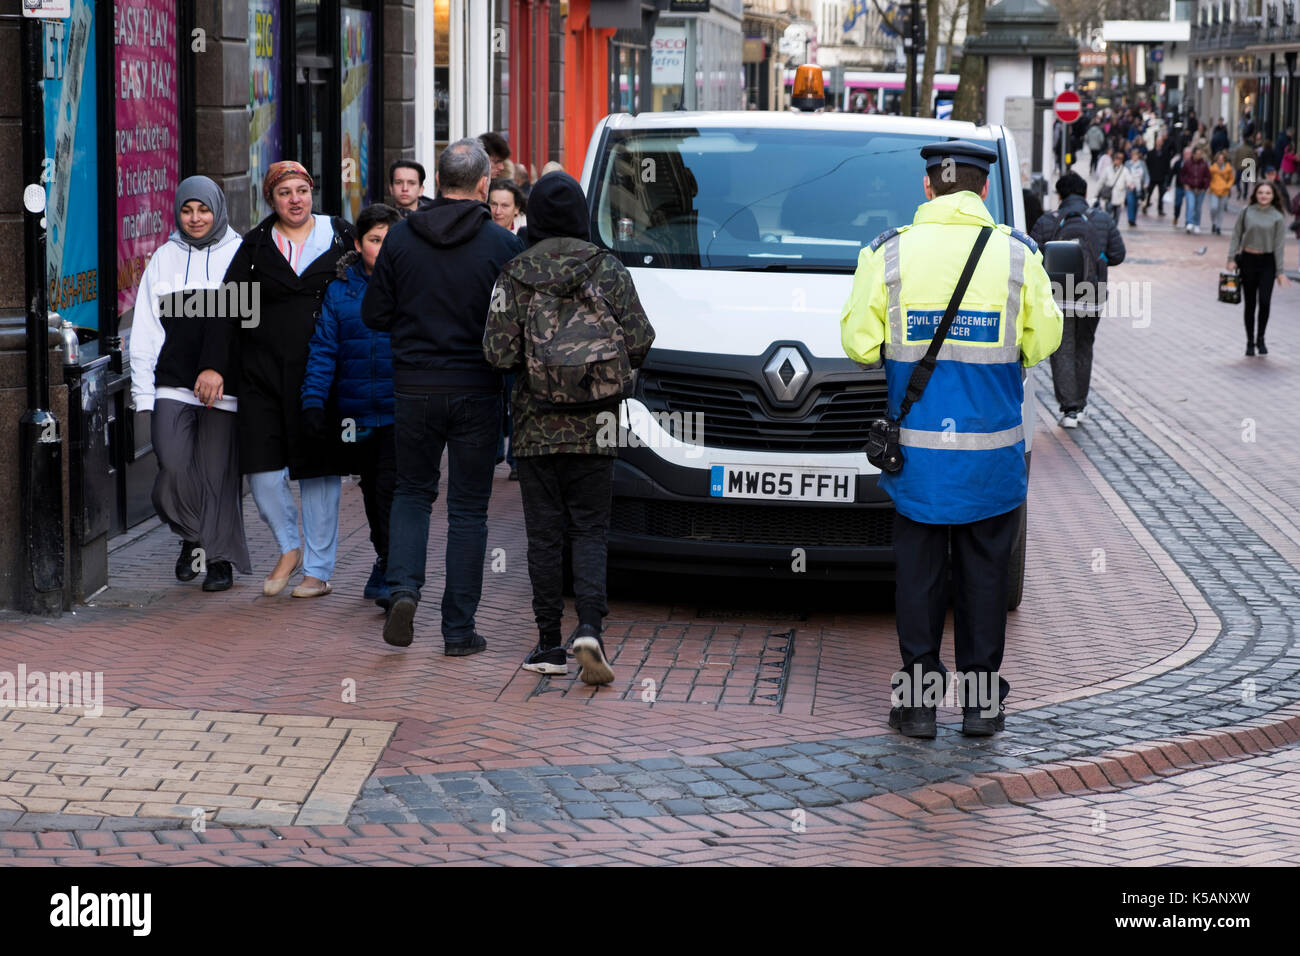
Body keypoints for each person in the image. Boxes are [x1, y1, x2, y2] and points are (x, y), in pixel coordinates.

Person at [839, 140, 1063, 738]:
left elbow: (859, 345)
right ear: (984, 190)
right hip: (991, 465)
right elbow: (1043, 343)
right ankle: (982, 706)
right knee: (985, 579)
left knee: (919, 580)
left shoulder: (887, 255)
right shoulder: (1019, 257)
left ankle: (917, 707)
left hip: (915, 464)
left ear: (927, 188)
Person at [483, 172, 656, 683]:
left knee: (544, 535)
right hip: (598, 426)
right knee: (590, 531)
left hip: (536, 430)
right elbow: (641, 339)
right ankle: (591, 630)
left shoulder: (514, 272)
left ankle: (546, 644)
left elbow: (495, 353)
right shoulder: (608, 269)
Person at [363, 138, 525, 654]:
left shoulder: (402, 240)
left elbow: (373, 315)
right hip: (478, 389)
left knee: (412, 493)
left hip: (414, 387)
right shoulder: (503, 246)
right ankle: (457, 631)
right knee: (469, 510)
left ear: (433, 182)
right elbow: (519, 324)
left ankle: (404, 589)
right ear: (483, 185)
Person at [223, 161, 354, 599]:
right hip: (261, 373)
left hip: (321, 373)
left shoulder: (340, 236)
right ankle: (288, 546)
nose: (295, 199)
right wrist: (213, 365)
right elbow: (230, 310)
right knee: (261, 469)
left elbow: (368, 289)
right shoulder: (255, 246)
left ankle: (318, 568)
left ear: (312, 193)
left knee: (318, 471)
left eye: (302, 190)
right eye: (284, 193)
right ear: (271, 199)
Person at [130, 175, 252, 592]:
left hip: (225, 387)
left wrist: (221, 369)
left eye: (203, 209)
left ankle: (219, 561)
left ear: (217, 209)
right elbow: (145, 332)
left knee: (218, 476)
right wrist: (143, 395)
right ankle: (195, 535)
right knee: (173, 469)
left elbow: (246, 328)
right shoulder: (163, 258)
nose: (196, 218)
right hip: (173, 384)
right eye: (187, 209)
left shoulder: (241, 254)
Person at [301, 203, 402, 610]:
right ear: (358, 244)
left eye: (390, 240)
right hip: (356, 412)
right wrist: (312, 400)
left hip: (401, 410)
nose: (383, 247)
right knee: (372, 490)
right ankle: (385, 556)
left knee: (393, 489)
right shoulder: (340, 290)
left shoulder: (412, 286)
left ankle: (396, 573)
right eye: (375, 240)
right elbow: (324, 348)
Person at [1030, 172, 1125, 429]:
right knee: (1084, 346)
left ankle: (1069, 409)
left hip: (1058, 296)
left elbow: (1032, 257)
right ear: (1084, 194)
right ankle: (1080, 405)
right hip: (1092, 295)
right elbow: (1118, 254)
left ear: (1060, 195)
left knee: (1062, 349)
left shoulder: (1048, 221)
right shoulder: (1102, 219)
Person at [1227, 181, 1290, 356]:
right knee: (1250, 304)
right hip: (1247, 260)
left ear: (1273, 196)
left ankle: (1260, 339)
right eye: (1261, 192)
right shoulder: (1246, 212)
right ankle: (1249, 342)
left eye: (1268, 193)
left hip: (1267, 262)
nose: (1264, 196)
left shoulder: (1277, 217)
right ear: (1255, 194)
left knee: (1264, 301)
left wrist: (1280, 272)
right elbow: (1236, 235)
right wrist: (1231, 258)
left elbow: (1279, 246)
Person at [1180, 146, 1211, 234]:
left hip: (1201, 190)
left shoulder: (1204, 164)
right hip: (1190, 188)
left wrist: (1205, 187)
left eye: (1200, 154)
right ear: (1193, 154)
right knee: (1191, 205)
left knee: (1198, 208)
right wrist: (1185, 184)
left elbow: (1208, 177)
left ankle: (1197, 224)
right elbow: (1182, 175)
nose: (1199, 156)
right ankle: (1190, 223)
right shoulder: (1187, 163)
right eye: (1197, 154)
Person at [1095, 151, 1133, 221]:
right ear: (1114, 159)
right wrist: (1096, 193)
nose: (1118, 160)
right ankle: (1109, 230)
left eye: (1121, 159)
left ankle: (1113, 230)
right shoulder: (1107, 169)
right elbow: (1101, 181)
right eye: (1117, 158)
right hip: (1109, 196)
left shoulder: (1124, 170)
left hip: (1119, 197)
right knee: (1108, 216)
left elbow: (1129, 180)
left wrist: (1130, 185)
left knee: (1116, 218)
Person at [1207, 150, 1235, 235]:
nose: (1220, 160)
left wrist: (1228, 186)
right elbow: (1209, 179)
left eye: (1222, 159)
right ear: (1216, 159)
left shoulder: (1228, 168)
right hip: (1214, 190)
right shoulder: (1212, 168)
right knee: (1214, 208)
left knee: (1221, 209)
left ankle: (1218, 226)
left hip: (1224, 191)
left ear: (1224, 160)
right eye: (1219, 159)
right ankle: (1214, 223)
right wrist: (1211, 186)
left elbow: (1231, 178)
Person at [1144, 133, 1172, 216]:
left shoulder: (1165, 153)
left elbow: (1167, 166)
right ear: (1155, 142)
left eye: (1160, 141)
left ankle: (1160, 209)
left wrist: (1167, 177)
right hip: (1152, 176)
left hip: (1161, 177)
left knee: (1161, 194)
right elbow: (1147, 164)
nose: (1159, 143)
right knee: (1149, 193)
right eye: (1158, 141)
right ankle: (1146, 205)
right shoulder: (1151, 153)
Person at [1123, 147, 1148, 227]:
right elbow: (1124, 174)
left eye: (1136, 155)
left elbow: (1146, 175)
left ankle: (1133, 219)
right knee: (1130, 203)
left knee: (1136, 204)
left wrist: (1146, 183)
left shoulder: (1142, 164)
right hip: (1130, 187)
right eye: (1133, 155)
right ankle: (1130, 219)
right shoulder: (1127, 163)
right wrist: (1127, 184)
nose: (1134, 157)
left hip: (1139, 187)